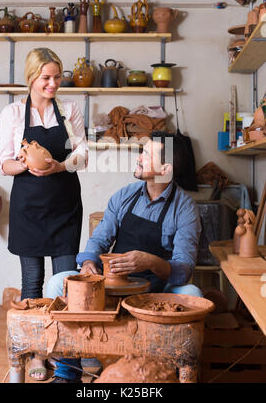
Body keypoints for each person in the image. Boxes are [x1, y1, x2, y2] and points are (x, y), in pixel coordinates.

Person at [45, 130, 202, 383]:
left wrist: (150, 261)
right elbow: (99, 240)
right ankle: (68, 372)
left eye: (147, 154)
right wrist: (88, 263)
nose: (139, 158)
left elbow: (184, 268)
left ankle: (169, 371)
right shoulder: (125, 195)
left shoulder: (185, 208)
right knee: (56, 283)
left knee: (193, 294)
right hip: (112, 284)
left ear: (165, 168)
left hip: (156, 290)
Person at [0, 47, 88, 381]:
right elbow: (5, 163)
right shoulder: (12, 113)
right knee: (33, 283)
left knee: (65, 283)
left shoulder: (69, 110)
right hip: (28, 209)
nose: (52, 84)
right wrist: (26, 163)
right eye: (46, 78)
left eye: (57, 77)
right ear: (32, 77)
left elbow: (83, 154)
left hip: (65, 206)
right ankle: (37, 354)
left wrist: (59, 166)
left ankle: (66, 357)